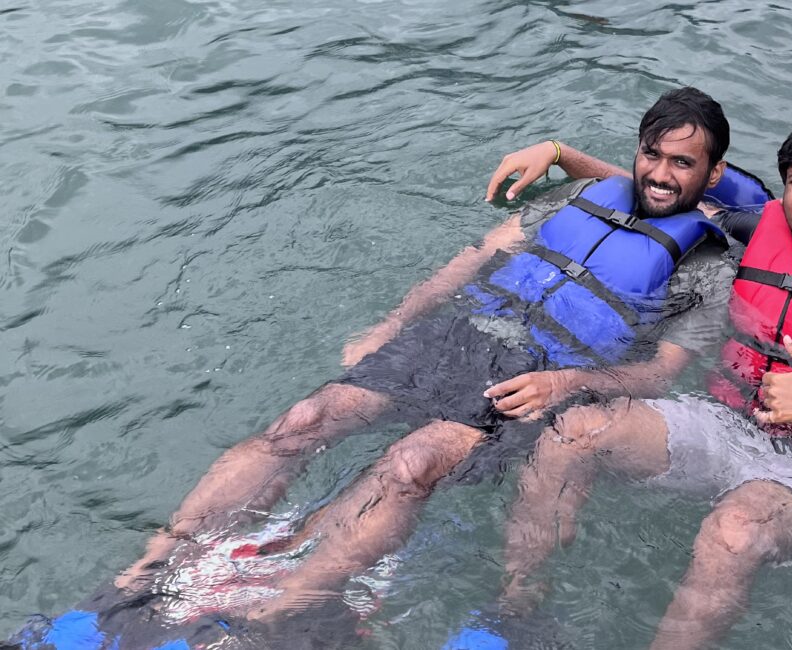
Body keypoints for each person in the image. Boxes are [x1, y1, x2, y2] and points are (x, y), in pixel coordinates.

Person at [109, 86, 747, 623]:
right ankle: (153, 566)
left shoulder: (710, 267)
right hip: (460, 337)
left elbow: (663, 372)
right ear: (636, 150)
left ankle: (279, 610)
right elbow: (474, 257)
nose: (661, 174)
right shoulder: (577, 196)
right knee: (304, 420)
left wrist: (566, 382)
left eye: (682, 164)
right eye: (651, 154)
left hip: (535, 379)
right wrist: (391, 323)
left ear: (712, 173)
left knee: (411, 463)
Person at [483, 114, 792, 650]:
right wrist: (559, 153)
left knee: (733, 533)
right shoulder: (757, 227)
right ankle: (515, 614)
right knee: (572, 433)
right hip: (724, 425)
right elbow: (666, 191)